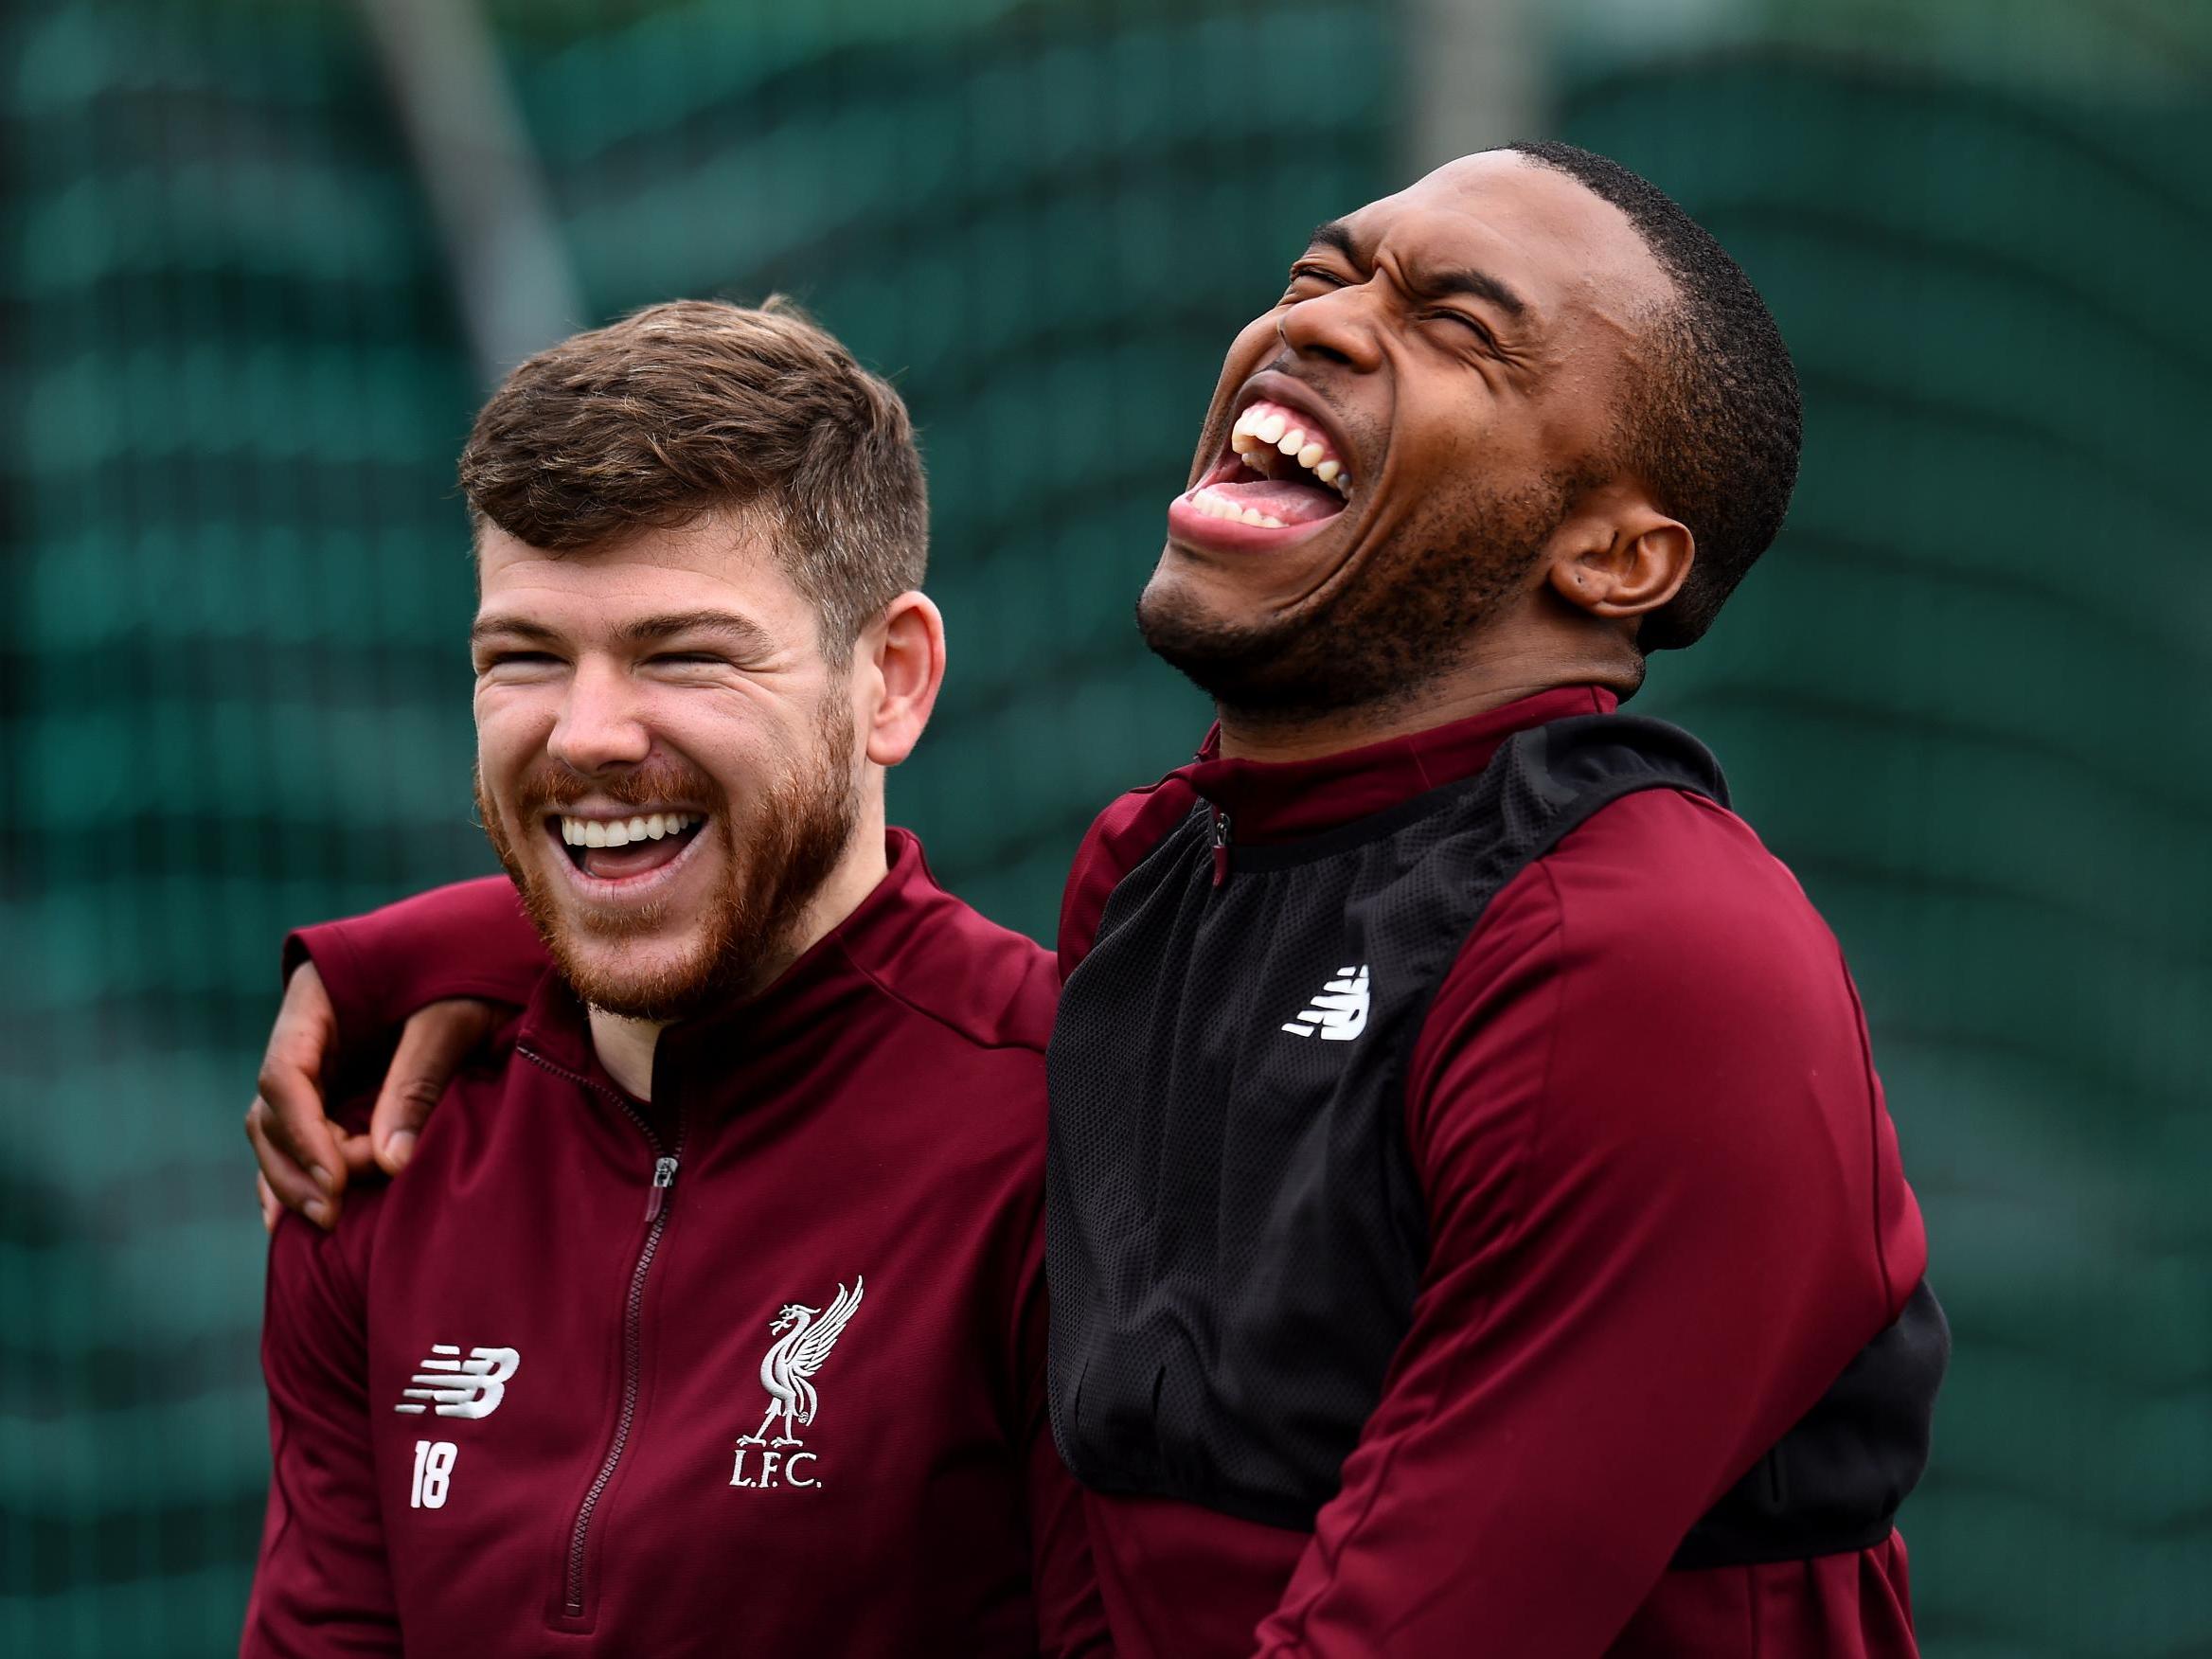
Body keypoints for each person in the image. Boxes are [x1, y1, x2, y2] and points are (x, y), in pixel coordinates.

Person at [248, 143, 1945, 1657]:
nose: (1329, 322)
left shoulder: (1659, 965)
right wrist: (520, 953)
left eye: (1458, 327)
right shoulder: (1164, 875)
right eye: (1322, 271)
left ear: (1617, 560)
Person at [239, 299, 1104, 1656]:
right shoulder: (383, 1144)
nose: (584, 736)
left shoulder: (1075, 1136)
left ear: (891, 680)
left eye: (682, 654)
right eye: (522, 657)